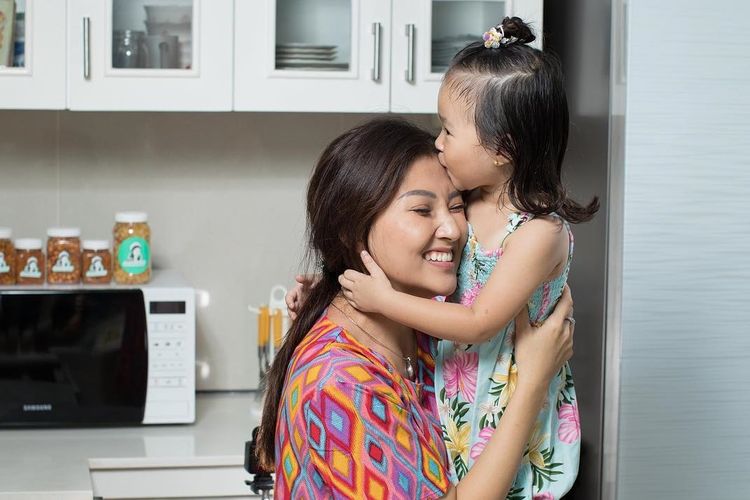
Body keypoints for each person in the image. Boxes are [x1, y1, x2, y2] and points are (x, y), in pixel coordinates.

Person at [337, 17, 598, 498]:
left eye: (448, 130)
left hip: (506, 404)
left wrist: (382, 300)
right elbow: (412, 265)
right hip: (458, 392)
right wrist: (330, 289)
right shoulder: (465, 202)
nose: (437, 142)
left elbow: (478, 322)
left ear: (502, 148)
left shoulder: (538, 234)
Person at [257, 117, 574, 499]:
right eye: (422, 210)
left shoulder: (421, 330)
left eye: (457, 206)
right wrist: (533, 382)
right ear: (350, 229)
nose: (452, 230)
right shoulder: (343, 385)